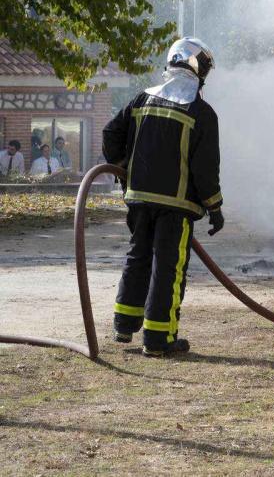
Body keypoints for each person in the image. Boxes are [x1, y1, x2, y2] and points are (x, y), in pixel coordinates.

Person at [104, 37, 224, 357]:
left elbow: (110, 133)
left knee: (138, 257)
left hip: (139, 199)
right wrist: (215, 207)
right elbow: (205, 168)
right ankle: (158, 339)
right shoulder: (201, 112)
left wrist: (122, 168)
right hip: (176, 205)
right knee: (167, 268)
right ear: (198, 69)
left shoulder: (141, 100)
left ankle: (124, 324)